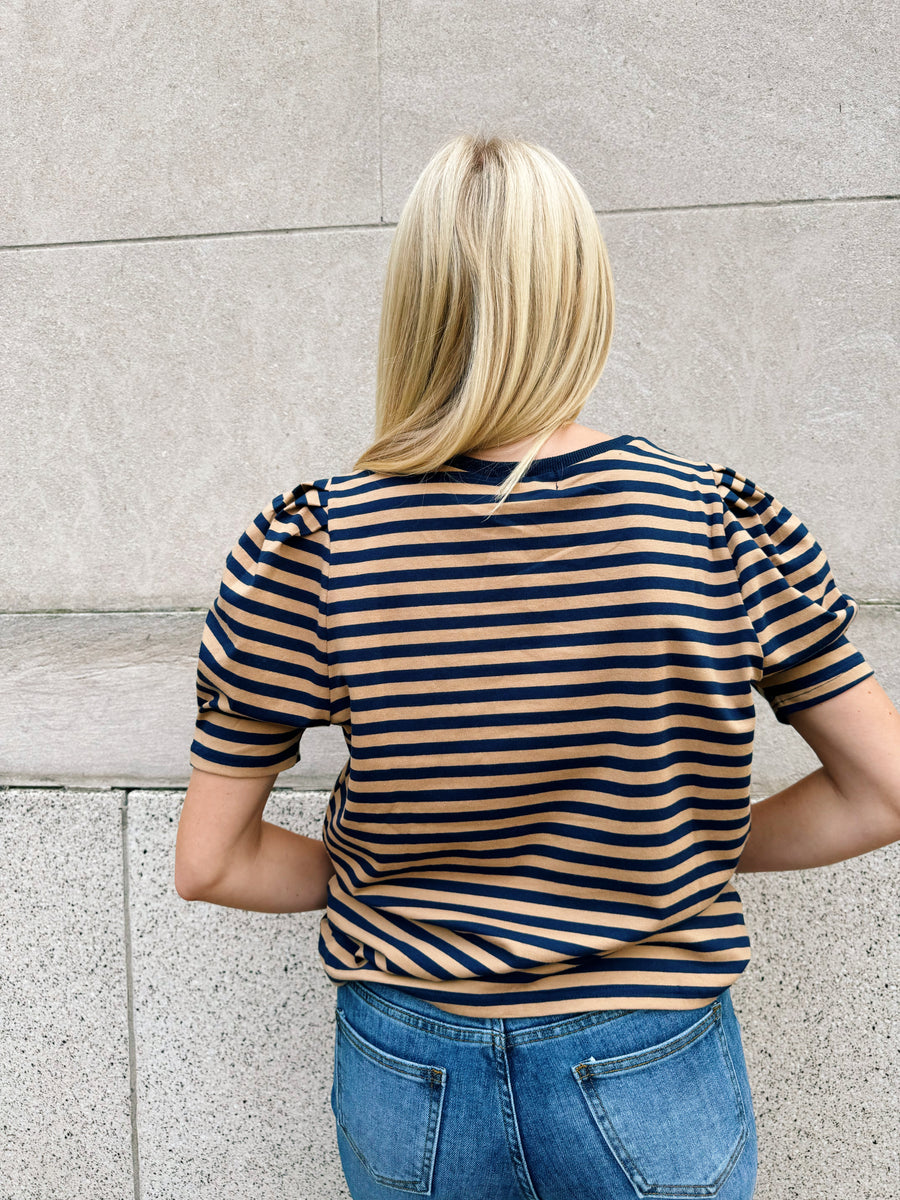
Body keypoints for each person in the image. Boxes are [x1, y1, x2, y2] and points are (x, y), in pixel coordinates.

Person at [175, 134, 900, 1200]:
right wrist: (673, 852)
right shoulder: (716, 522)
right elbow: (881, 791)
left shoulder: (315, 542)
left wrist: (409, 887)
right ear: (582, 294)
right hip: (650, 1058)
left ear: (415, 304)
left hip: (408, 1061)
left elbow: (212, 863)